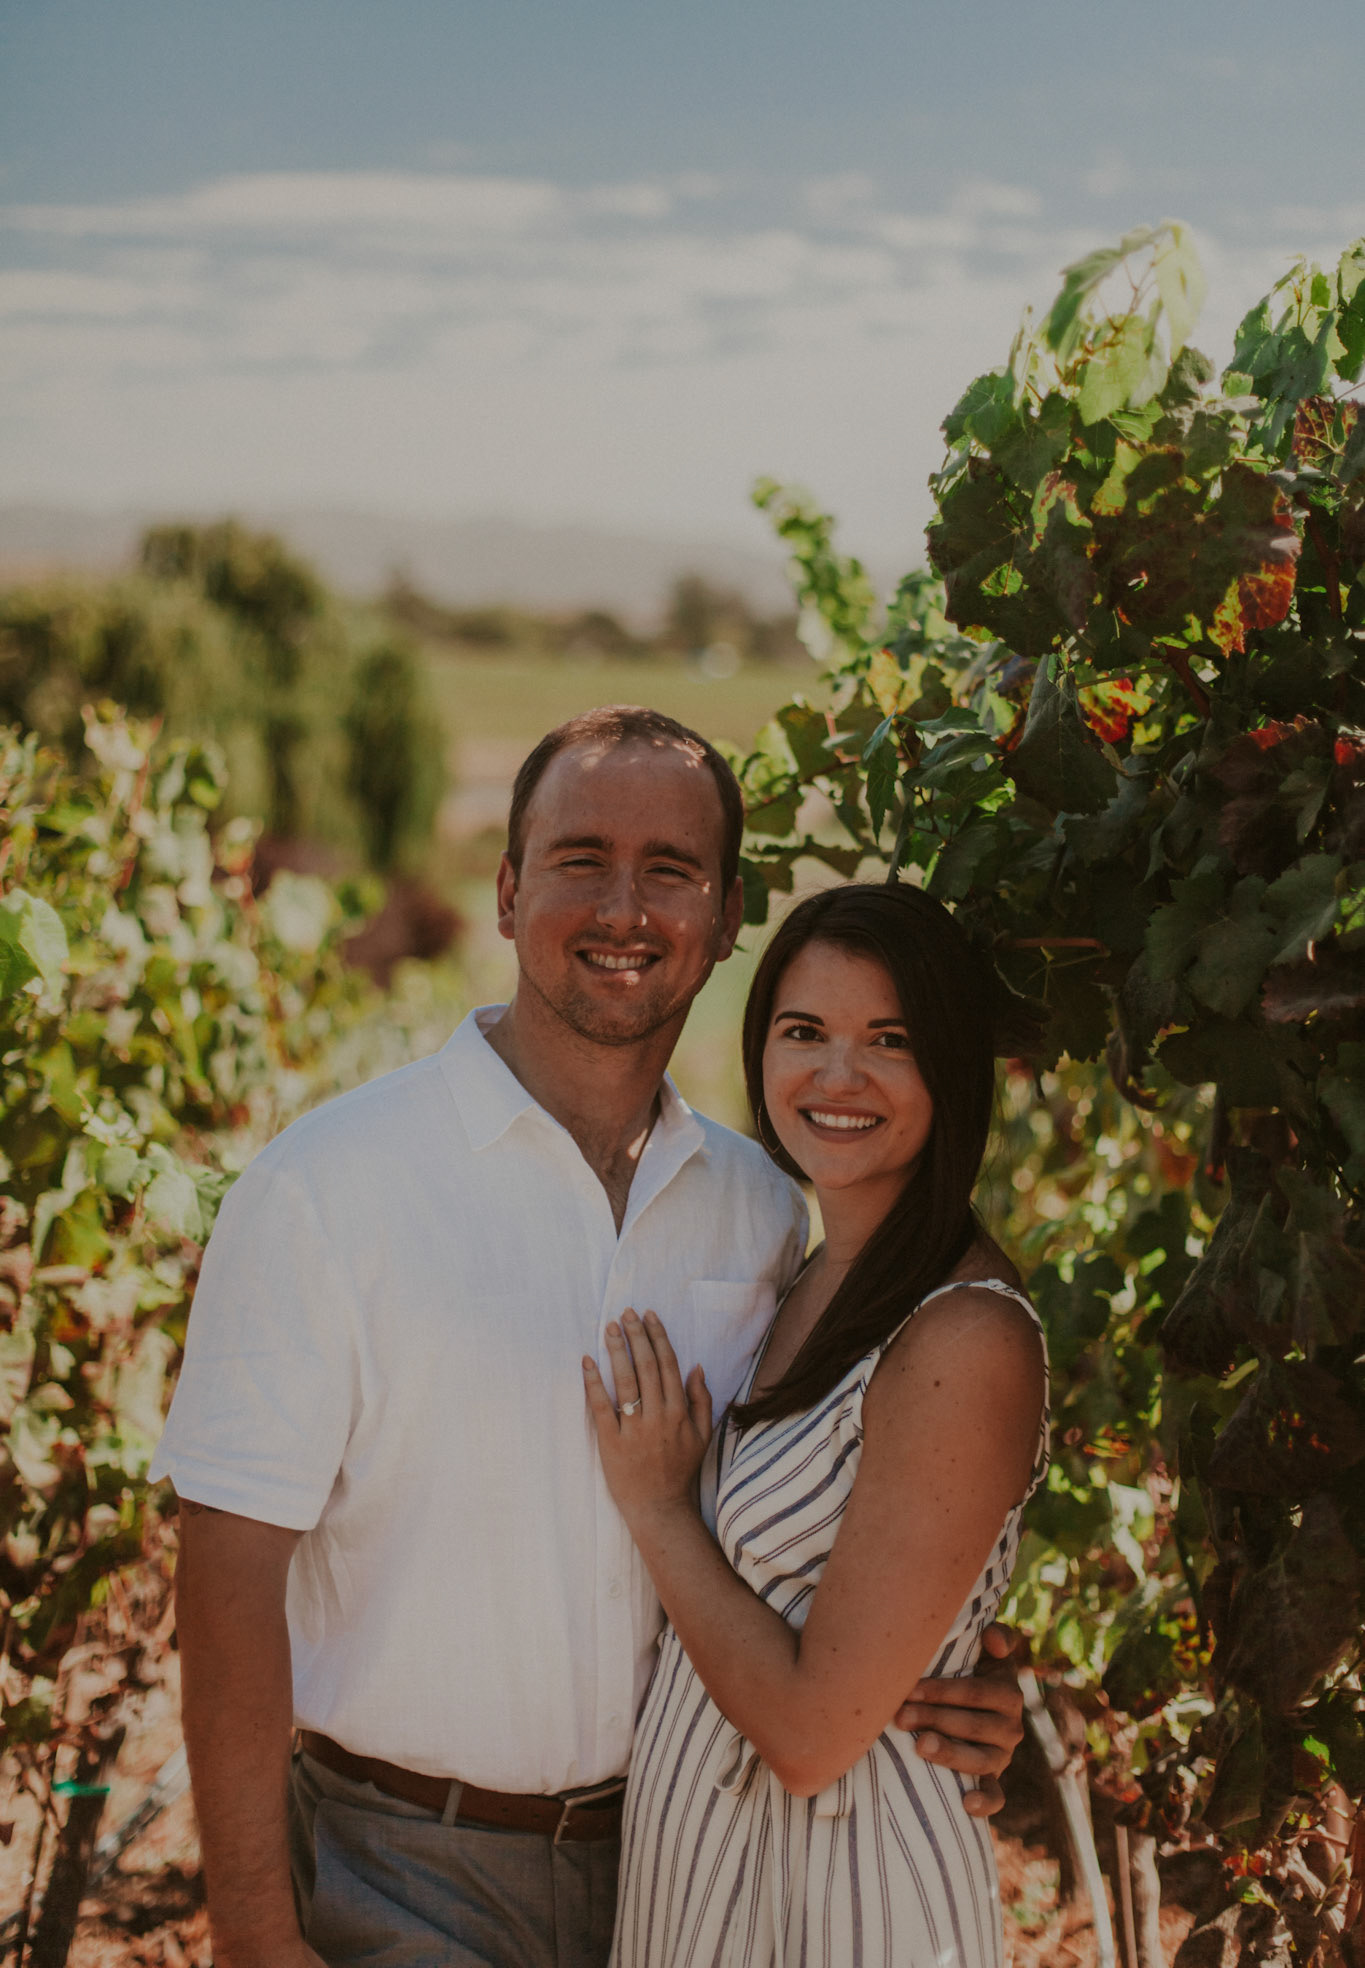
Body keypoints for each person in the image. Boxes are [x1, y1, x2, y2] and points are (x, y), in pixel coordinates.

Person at [153, 709, 1028, 1968]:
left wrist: (971, 1671)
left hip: (695, 1866)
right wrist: (247, 1922)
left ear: (727, 917)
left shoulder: (769, 1208)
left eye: (671, 870)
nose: (626, 906)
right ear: (508, 891)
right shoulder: (326, 1189)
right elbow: (226, 1572)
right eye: (580, 859)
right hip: (403, 1872)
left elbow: (869, 1489)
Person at [584, 882, 1048, 1968]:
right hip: (715, 1870)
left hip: (845, 1895)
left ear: (951, 1065)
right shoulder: (811, 1269)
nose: (836, 1077)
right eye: (805, 1031)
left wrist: (658, 1505)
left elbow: (807, 1737)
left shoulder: (964, 1333)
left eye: (889, 1039)